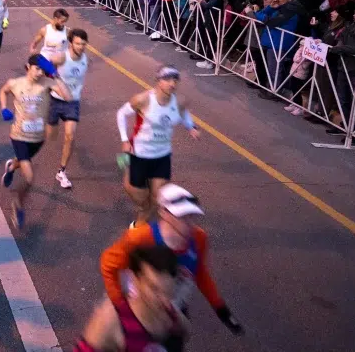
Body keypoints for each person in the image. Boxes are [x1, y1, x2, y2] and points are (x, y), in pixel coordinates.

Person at [99, 184, 244, 351]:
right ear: (164, 213)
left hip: (173, 309)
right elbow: (108, 264)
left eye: (192, 215)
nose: (189, 222)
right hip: (141, 309)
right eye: (182, 216)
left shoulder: (199, 238)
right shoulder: (140, 238)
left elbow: (200, 273)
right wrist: (121, 307)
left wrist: (221, 309)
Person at [115, 66, 200, 227]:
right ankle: (123, 164)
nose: (172, 84)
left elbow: (183, 113)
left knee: (157, 197)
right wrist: (124, 140)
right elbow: (121, 114)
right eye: (167, 79)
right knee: (136, 194)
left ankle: (138, 228)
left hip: (162, 156)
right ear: (158, 81)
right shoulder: (143, 99)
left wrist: (192, 127)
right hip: (139, 153)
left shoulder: (179, 101)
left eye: (175, 80)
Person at [0, 54, 71, 230]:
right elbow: (3, 91)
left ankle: (10, 166)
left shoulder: (47, 84)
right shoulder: (15, 83)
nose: (39, 73)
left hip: (38, 138)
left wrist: (54, 74)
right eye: (37, 68)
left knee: (23, 163)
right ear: (27, 66)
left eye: (42, 70)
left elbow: (67, 96)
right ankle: (18, 204)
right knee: (29, 177)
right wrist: (4, 108)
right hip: (19, 136)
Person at [73, 245, 186, 352]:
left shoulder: (170, 312)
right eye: (154, 289)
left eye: (168, 291)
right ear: (136, 280)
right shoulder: (112, 320)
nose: (164, 300)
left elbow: (185, 331)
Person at [47, 28, 89, 189]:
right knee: (50, 134)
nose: (81, 47)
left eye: (83, 44)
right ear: (71, 43)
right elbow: (46, 65)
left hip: (72, 102)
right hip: (55, 100)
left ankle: (62, 171)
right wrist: (52, 79)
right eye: (78, 43)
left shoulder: (85, 59)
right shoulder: (61, 57)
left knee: (69, 135)